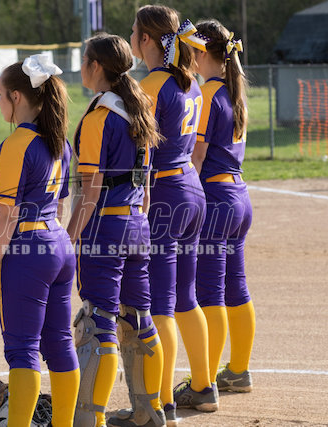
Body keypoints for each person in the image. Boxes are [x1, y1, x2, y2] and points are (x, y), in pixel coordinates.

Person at [66, 34, 165, 427]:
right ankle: (149, 411)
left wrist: (68, 238)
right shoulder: (139, 109)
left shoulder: (99, 118)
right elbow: (145, 186)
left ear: (97, 66)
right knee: (137, 319)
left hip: (104, 227)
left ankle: (88, 419)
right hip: (137, 225)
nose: (80, 67)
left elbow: (90, 191)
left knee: (97, 322)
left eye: (83, 60)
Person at [0, 54, 79, 427]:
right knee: (60, 344)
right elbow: (60, 206)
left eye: (0, 95)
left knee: (23, 351)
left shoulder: (18, 143)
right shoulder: (60, 141)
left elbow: (6, 215)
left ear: (17, 97)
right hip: (57, 244)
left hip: (27, 251)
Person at [130, 5, 216, 424]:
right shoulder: (191, 81)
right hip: (192, 188)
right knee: (186, 297)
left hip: (164, 192)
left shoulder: (150, 84)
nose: (131, 37)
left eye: (134, 31)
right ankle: (204, 385)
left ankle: (161, 403)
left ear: (147, 39)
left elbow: (141, 150)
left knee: (160, 305)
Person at [190, 19, 256, 395]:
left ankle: (207, 380)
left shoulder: (207, 94)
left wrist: (187, 200)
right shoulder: (233, 92)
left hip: (215, 200)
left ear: (202, 53)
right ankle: (239, 370)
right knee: (236, 287)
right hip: (239, 198)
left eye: (191, 50)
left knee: (209, 293)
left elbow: (197, 157)